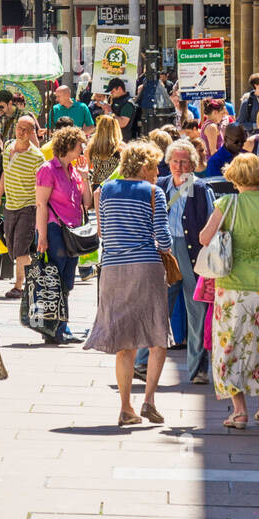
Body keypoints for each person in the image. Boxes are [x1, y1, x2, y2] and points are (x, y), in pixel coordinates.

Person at [197, 154, 259, 427]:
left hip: (232, 286)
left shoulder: (227, 203)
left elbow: (205, 238)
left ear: (234, 176)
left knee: (229, 346)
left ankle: (239, 410)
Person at [85, 141, 172, 426]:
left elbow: (102, 231)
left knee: (124, 341)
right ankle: (149, 400)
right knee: (158, 335)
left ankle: (125, 407)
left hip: (112, 269)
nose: (158, 172)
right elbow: (164, 238)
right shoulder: (153, 192)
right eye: (156, 165)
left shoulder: (105, 190)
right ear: (144, 166)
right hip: (145, 266)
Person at [154, 139, 214, 386]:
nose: (179, 166)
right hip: (164, 253)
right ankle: (142, 362)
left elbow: (211, 223)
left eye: (184, 161)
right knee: (158, 307)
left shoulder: (201, 190)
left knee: (196, 308)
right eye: (175, 161)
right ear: (168, 162)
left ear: (193, 164)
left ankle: (198, 367)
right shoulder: (159, 186)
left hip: (192, 253)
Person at [34, 128, 93, 344]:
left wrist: (86, 178)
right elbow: (40, 204)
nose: (82, 149)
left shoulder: (75, 171)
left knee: (67, 281)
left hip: (72, 233)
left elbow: (87, 203)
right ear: (69, 145)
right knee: (54, 280)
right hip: (54, 230)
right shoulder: (48, 169)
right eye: (80, 145)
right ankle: (52, 329)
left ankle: (62, 326)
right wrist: (41, 236)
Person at [0, 115, 46, 298]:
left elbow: (42, 185)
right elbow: (6, 173)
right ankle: (34, 280)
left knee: (21, 248)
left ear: (31, 133)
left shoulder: (37, 157)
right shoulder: (8, 148)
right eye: (19, 128)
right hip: (10, 205)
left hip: (28, 207)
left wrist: (41, 209)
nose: (21, 132)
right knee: (12, 247)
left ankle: (20, 286)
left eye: (25, 129)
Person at [86, 113, 124, 189]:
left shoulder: (91, 147)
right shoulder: (120, 147)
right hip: (114, 186)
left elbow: (86, 169)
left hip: (97, 186)